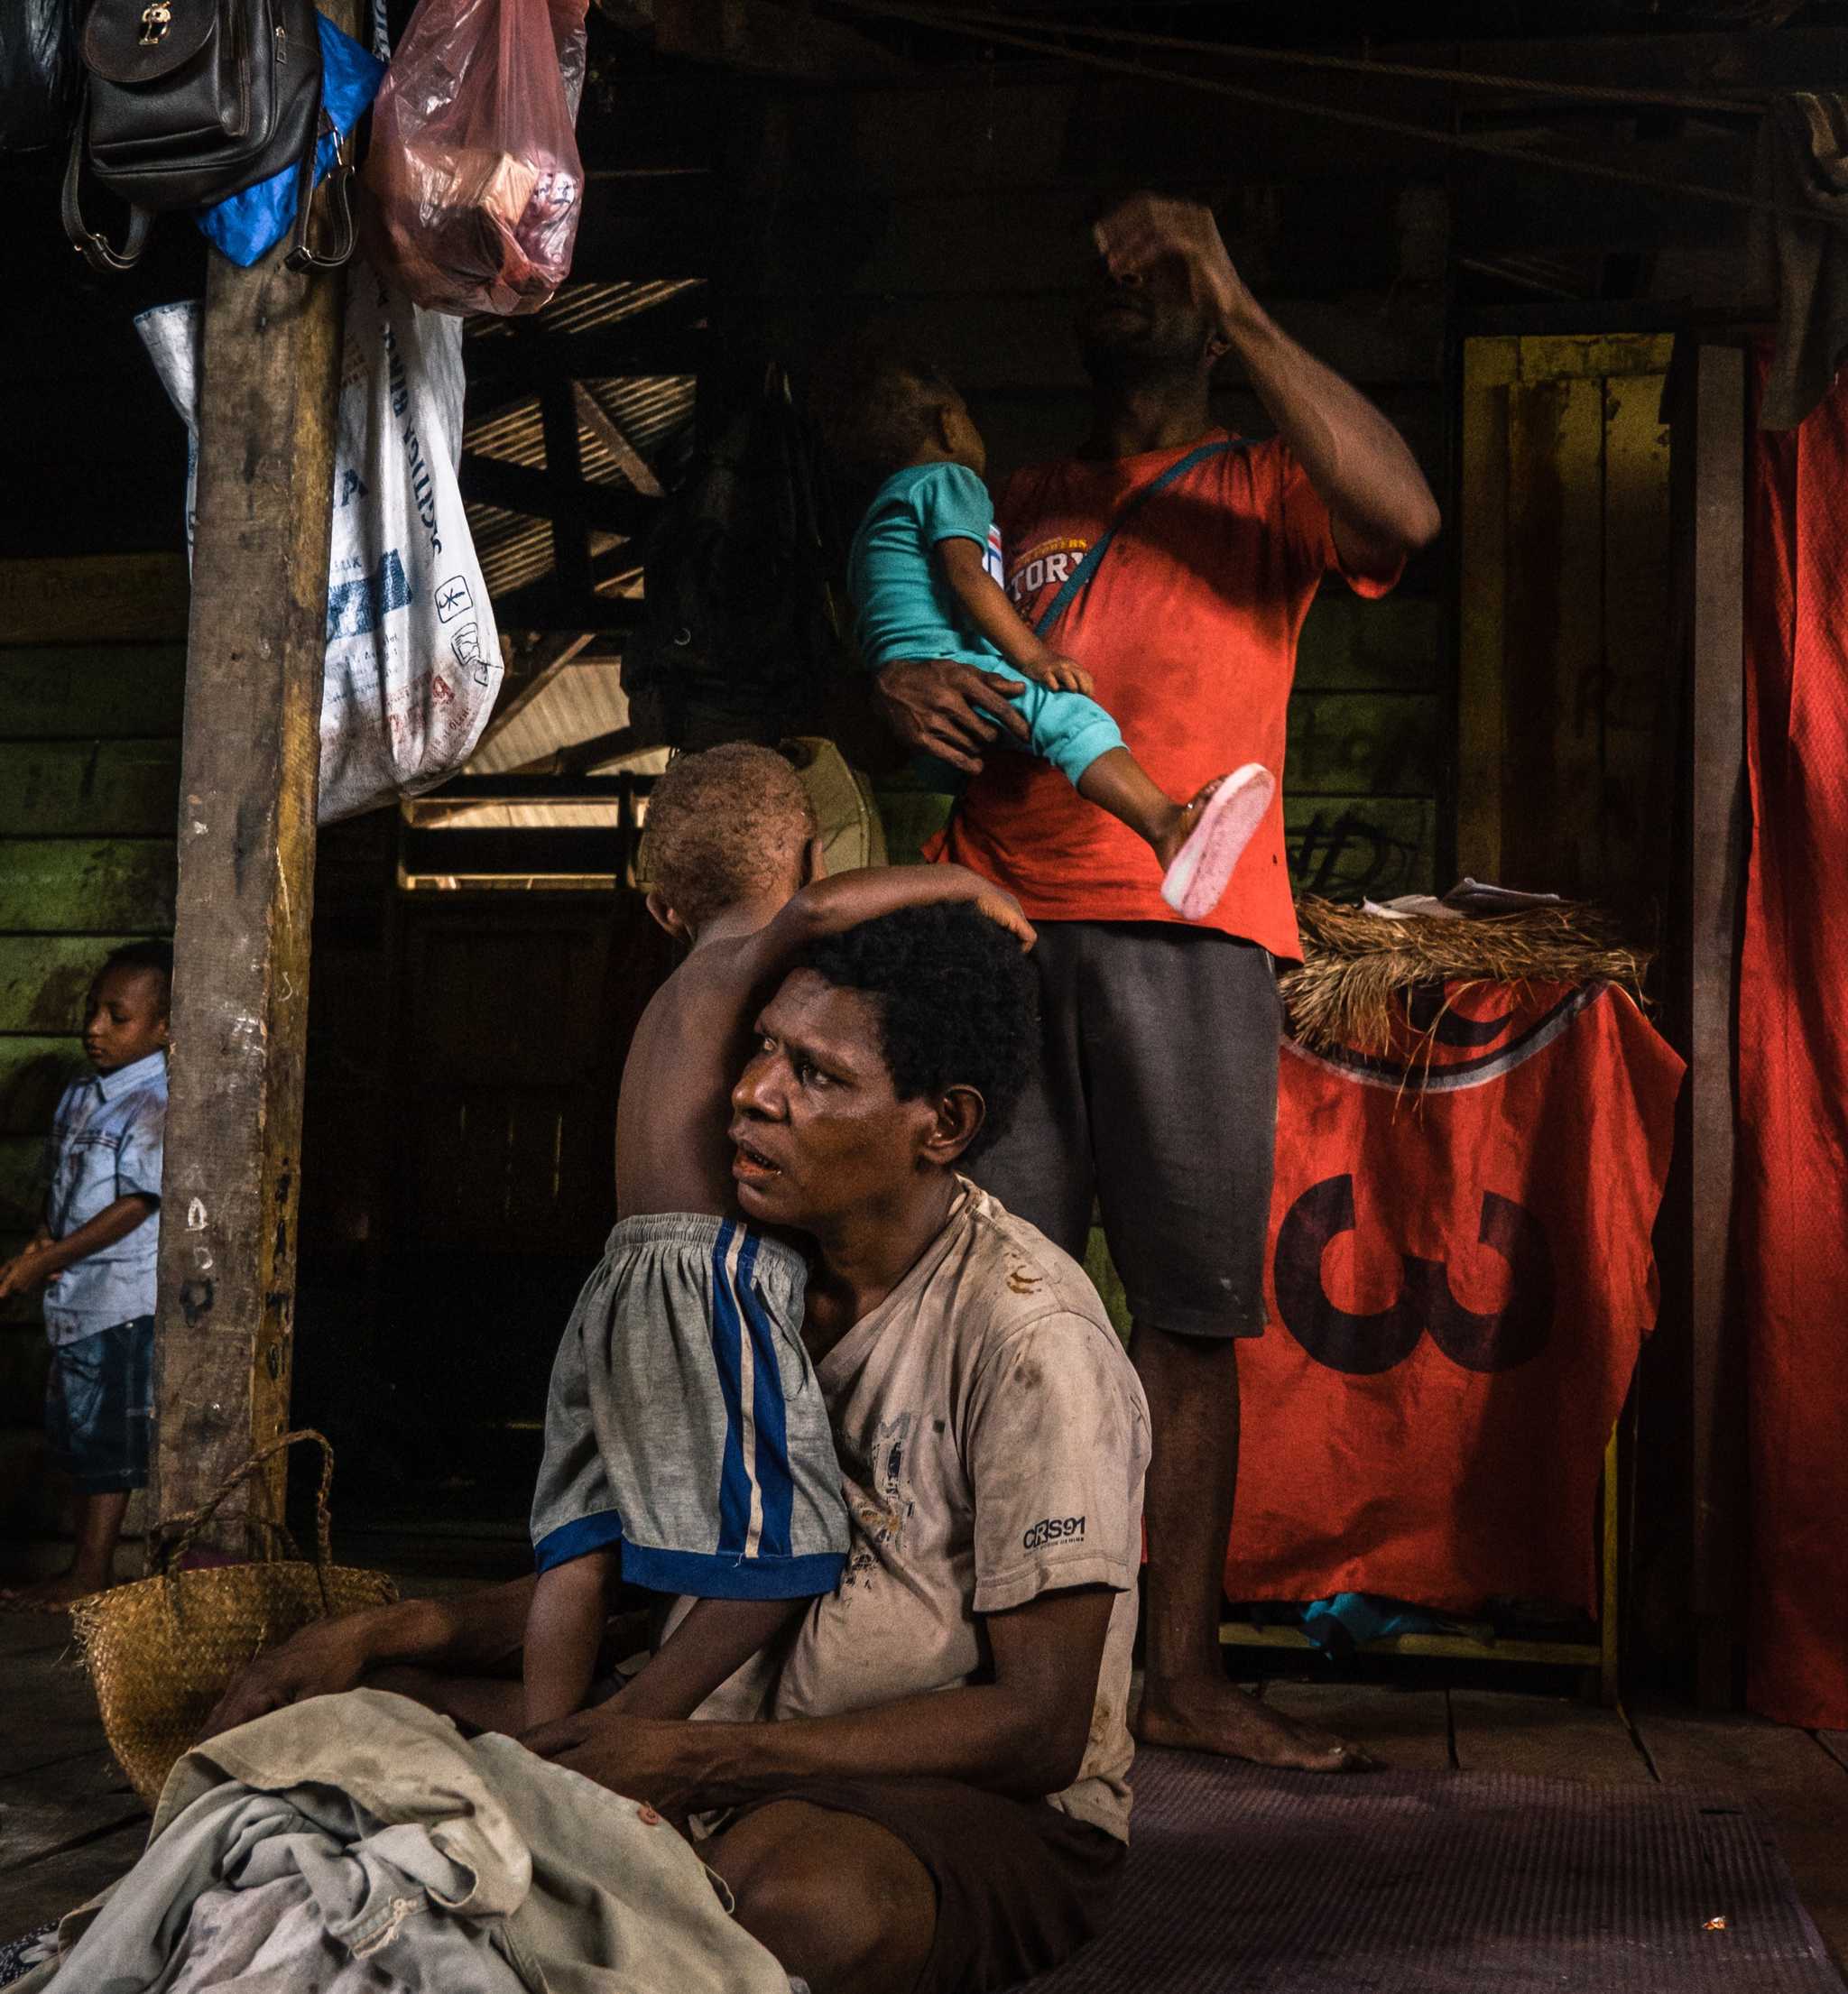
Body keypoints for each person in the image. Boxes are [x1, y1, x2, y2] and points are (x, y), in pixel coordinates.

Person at [207, 902, 1151, 1994]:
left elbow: (1036, 1729)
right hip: (714, 1735)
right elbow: (662, 1562)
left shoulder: (1032, 1340)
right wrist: (381, 1631)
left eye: (819, 1075)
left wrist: (692, 1756)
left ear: (940, 1123)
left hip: (942, 1794)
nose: (754, 1092)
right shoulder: (737, 1286)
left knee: (780, 1906)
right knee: (323, 1746)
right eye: (764, 1048)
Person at [871, 192, 1441, 1772]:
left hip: (1190, 935)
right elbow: (911, 630)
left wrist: (1239, 294)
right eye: (1110, 285)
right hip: (995, 927)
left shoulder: (1267, 480)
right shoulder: (1019, 495)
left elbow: (1403, 517)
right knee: (996, 1310)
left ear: (1205, 319)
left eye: (1164, 288)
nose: (1130, 300)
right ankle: (996, 1673)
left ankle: (1180, 1675)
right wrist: (896, 672)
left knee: (1186, 1321)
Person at [523, 743, 1036, 1733]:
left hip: (617, 1281)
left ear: (661, 907)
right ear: (807, 859)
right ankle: (631, 1731)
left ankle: (543, 1742)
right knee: (785, 1556)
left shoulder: (672, 988)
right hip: (709, 1274)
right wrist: (963, 880)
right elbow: (812, 915)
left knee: (579, 1543)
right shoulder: (745, 955)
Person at [824, 346, 1272, 921]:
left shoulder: (877, 518)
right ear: (948, 422)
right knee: (1072, 715)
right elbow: (966, 575)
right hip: (961, 677)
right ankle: (1166, 825)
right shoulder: (949, 480)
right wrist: (1034, 656)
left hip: (936, 737)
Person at [0, 940, 171, 1611]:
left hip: (118, 1301)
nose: (94, 1028)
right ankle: (82, 1569)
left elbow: (134, 1205)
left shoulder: (153, 1104)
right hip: (72, 1298)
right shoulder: (80, 1092)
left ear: (163, 1028)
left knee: (104, 1442)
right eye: (93, 1011)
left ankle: (91, 1574)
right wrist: (41, 1241)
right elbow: (68, 1184)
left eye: (117, 1017)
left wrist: (46, 1260)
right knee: (73, 1432)